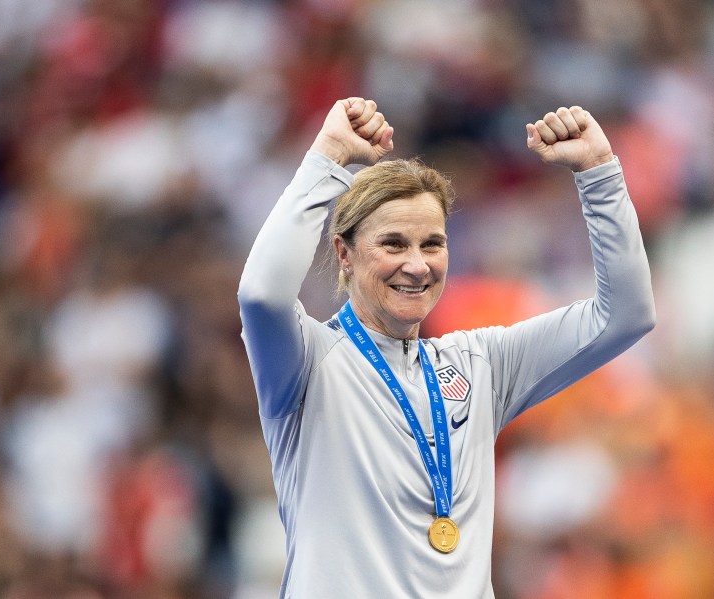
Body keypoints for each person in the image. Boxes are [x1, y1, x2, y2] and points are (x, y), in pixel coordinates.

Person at [238, 97, 655, 598]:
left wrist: (599, 176)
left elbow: (625, 314)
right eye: (393, 244)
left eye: (432, 244)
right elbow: (262, 293)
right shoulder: (307, 362)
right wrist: (327, 157)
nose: (417, 265)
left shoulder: (481, 365)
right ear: (343, 253)